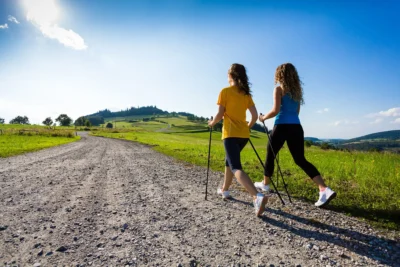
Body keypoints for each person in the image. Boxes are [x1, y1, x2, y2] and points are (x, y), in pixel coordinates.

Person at [256, 63, 336, 207]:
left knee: (270, 154)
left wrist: (262, 118)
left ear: (280, 75)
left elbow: (275, 110)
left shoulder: (279, 89)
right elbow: (297, 112)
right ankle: (324, 188)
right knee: (300, 159)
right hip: (296, 127)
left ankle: (265, 184)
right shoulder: (297, 92)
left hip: (281, 126)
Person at [208, 63, 268, 216]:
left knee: (235, 167)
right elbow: (254, 116)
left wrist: (212, 123)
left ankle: (257, 196)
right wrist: (247, 126)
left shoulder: (225, 92)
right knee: (228, 162)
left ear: (231, 76)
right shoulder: (246, 94)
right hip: (243, 135)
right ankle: (225, 190)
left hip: (230, 134)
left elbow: (220, 114)